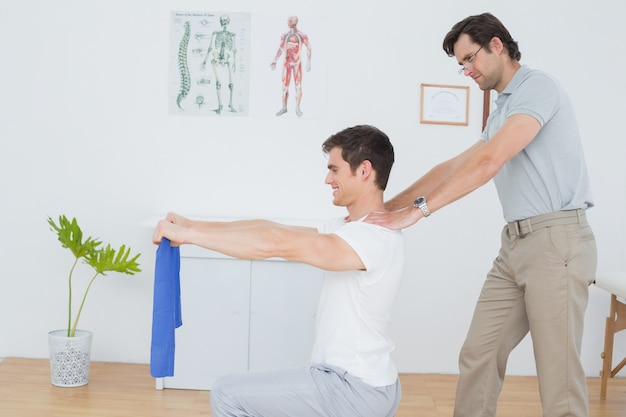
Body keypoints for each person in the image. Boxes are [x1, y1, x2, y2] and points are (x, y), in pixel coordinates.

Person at [365, 12, 596, 417]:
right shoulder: (502, 108)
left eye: (470, 59)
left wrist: (418, 212)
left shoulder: (536, 88)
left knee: (557, 378)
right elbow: (454, 166)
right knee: (479, 354)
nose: (467, 71)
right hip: (516, 246)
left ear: (496, 45)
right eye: (461, 65)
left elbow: (490, 162)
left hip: (556, 242)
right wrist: (385, 207)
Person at [152, 125, 405, 417]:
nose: (327, 179)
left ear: (363, 170)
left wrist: (191, 238)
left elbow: (274, 243)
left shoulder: (371, 239)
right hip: (368, 383)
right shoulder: (351, 228)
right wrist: (193, 225)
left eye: (334, 170)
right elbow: (272, 229)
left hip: (352, 388)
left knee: (227, 394)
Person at [270, 16, 312, 117]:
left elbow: (309, 48)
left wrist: (308, 61)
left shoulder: (302, 35)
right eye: (288, 20)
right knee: (284, 86)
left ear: (296, 22)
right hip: (286, 63)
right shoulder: (285, 35)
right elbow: (280, 49)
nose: (288, 22)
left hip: (297, 63)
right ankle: (284, 107)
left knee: (298, 86)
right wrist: (275, 60)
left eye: (291, 20)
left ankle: (297, 107)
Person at [202, 15, 237, 115]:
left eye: (226, 20)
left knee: (231, 84)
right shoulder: (215, 33)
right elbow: (210, 48)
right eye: (222, 20)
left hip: (227, 57)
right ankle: (220, 105)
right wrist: (205, 60)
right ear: (220, 22)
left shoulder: (232, 35)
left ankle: (230, 104)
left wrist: (235, 62)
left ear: (228, 21)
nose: (224, 22)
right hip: (216, 57)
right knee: (218, 83)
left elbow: (234, 50)